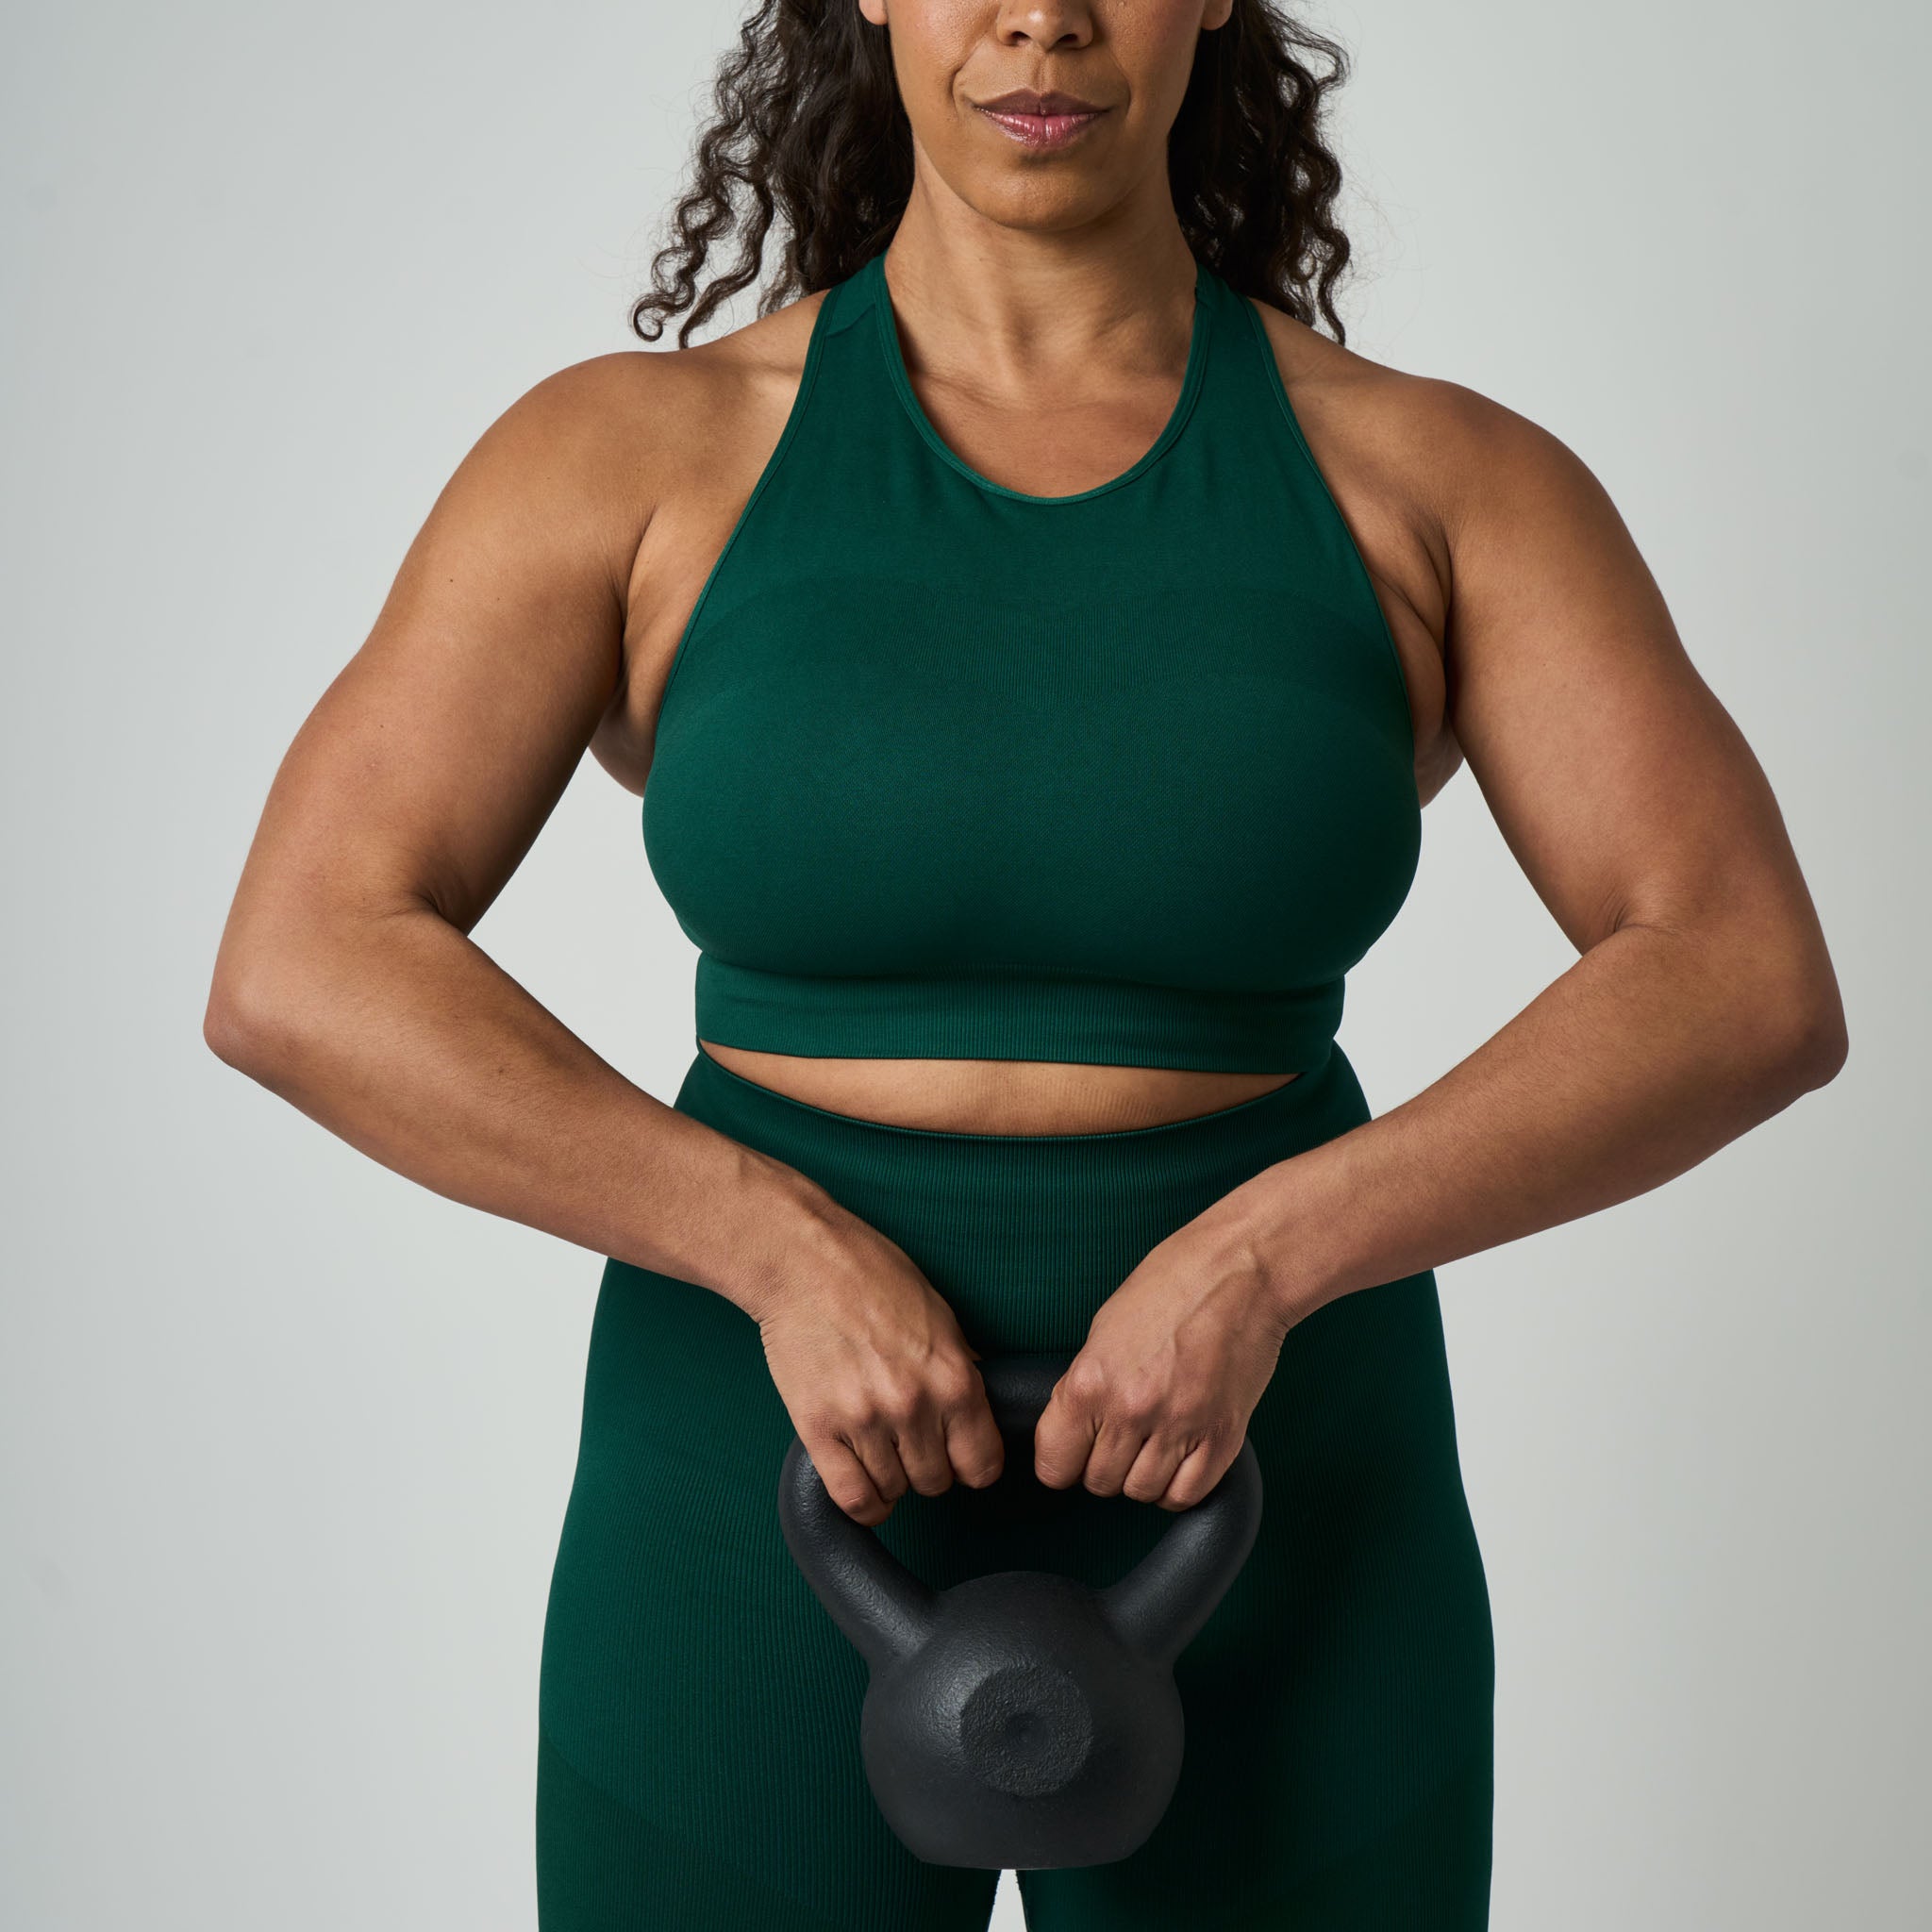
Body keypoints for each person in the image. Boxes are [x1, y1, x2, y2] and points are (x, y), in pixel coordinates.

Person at [204, 2, 1848, 1926]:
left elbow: (1737, 970)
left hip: (1277, 1469)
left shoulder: (1436, 480)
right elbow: (306, 953)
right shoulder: (635, 454)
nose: (1039, 13)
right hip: (752, 1470)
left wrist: (1258, 1263)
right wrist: (771, 1248)